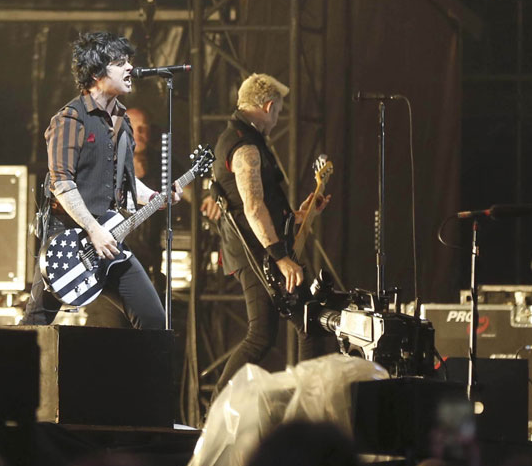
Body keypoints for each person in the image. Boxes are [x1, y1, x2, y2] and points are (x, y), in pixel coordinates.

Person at [22, 32, 179, 329]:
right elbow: (61, 183)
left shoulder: (123, 122)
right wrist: (92, 229)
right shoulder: (70, 120)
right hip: (69, 242)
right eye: (120, 63)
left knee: (154, 320)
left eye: (129, 61)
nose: (130, 68)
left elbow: (127, 188)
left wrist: (156, 197)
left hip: (109, 240)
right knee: (36, 322)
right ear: (96, 73)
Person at [211, 73, 330, 389]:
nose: (277, 119)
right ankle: (304, 407)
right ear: (267, 106)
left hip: (259, 251)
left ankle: (218, 412)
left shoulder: (246, 140)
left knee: (290, 327)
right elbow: (251, 207)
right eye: (277, 111)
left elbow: (263, 206)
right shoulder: (244, 146)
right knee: (297, 326)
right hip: (257, 254)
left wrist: (304, 213)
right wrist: (280, 258)